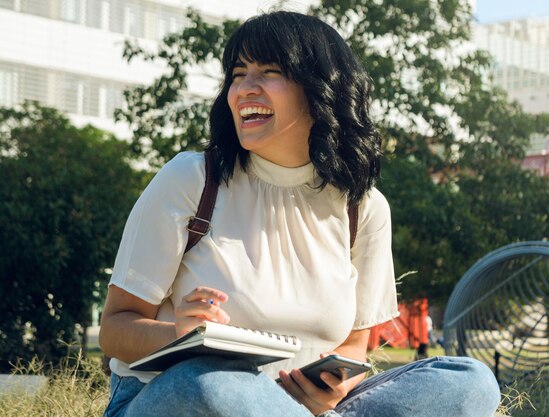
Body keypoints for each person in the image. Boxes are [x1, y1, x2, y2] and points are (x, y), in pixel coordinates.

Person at [99, 11, 501, 417]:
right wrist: (180, 334)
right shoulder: (192, 178)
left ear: (321, 90)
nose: (244, 89)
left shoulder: (363, 207)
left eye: (269, 72)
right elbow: (115, 329)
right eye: (238, 74)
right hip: (180, 398)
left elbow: (353, 348)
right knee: (210, 381)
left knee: (467, 380)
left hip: (303, 408)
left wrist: (332, 388)